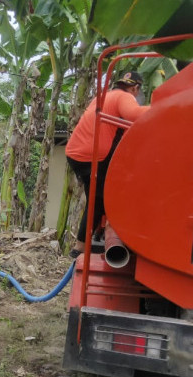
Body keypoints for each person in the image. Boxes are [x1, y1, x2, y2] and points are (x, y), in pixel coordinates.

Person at [65, 71, 150, 258]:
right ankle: (79, 247)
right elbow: (135, 114)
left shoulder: (105, 96)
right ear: (135, 88)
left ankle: (96, 233)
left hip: (78, 153)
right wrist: (165, 107)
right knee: (98, 199)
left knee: (100, 195)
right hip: (91, 156)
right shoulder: (123, 96)